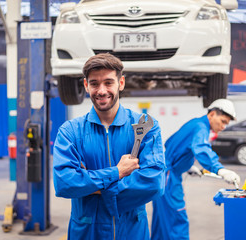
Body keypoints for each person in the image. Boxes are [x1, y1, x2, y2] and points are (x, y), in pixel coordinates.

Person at [53, 53, 165, 240]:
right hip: (88, 232)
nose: (102, 90)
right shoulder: (70, 131)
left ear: (120, 83)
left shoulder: (145, 126)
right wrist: (117, 173)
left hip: (131, 232)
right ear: (86, 86)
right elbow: (64, 183)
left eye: (108, 82)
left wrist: (90, 184)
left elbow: (154, 183)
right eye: (95, 83)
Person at [151, 98, 241, 240]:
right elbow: (201, 148)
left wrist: (186, 166)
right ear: (212, 114)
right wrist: (220, 169)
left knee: (162, 220)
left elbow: (172, 144)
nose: (224, 126)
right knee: (177, 219)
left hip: (166, 174)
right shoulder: (201, 127)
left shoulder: (194, 123)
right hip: (169, 178)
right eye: (223, 121)